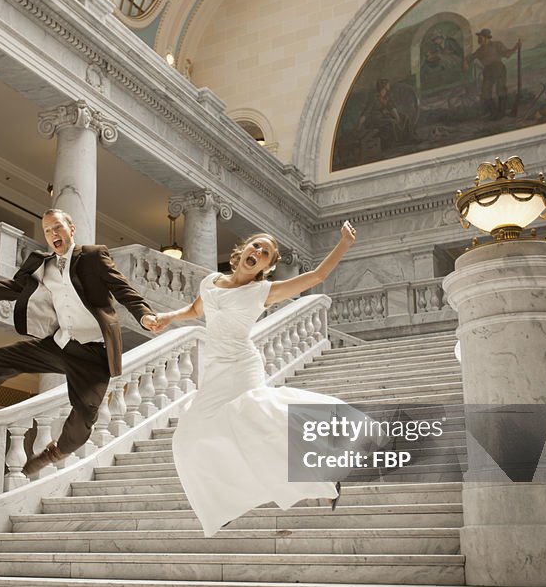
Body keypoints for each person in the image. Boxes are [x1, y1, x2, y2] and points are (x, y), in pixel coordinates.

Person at [150, 221, 381, 536]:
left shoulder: (263, 291)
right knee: (187, 438)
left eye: (266, 253)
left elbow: (317, 277)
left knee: (258, 417)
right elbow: (195, 309)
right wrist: (167, 317)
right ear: (242, 250)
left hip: (242, 366)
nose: (257, 252)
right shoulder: (211, 281)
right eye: (255, 246)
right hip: (214, 369)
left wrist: (344, 242)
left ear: (268, 267)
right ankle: (223, 501)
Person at [0, 208, 160, 475]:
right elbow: (8, 289)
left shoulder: (93, 257)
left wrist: (145, 315)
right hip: (60, 344)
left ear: (71, 229)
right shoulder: (40, 264)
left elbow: (122, 290)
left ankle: (56, 451)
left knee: (84, 415)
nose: (53, 234)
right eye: (47, 231)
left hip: (94, 352)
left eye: (57, 227)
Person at [464, 28, 520, 119]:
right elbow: (470, 58)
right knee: (485, 92)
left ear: (486, 38)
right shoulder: (480, 50)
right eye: (478, 37)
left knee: (500, 90)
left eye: (480, 37)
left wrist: (515, 48)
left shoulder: (497, 45)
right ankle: (494, 113)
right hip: (487, 71)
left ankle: (501, 113)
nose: (478, 39)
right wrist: (465, 62)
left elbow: (507, 54)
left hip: (498, 68)